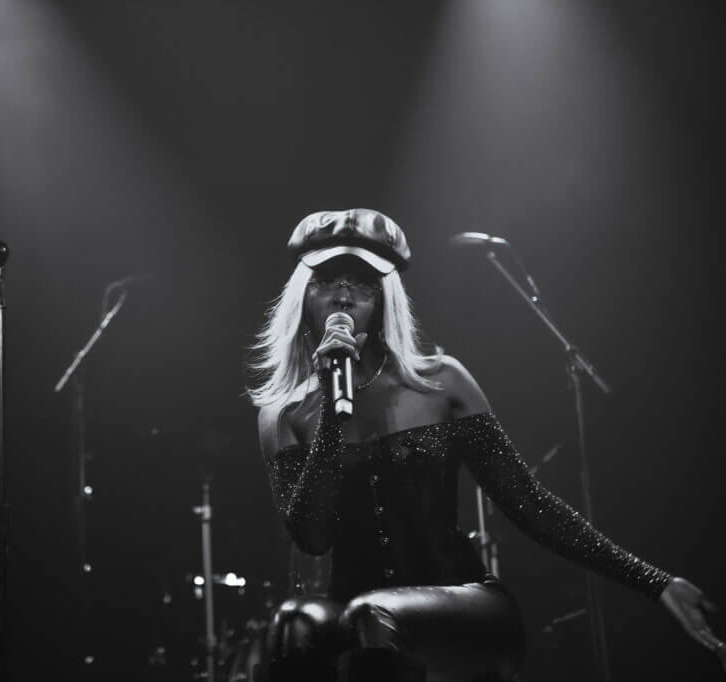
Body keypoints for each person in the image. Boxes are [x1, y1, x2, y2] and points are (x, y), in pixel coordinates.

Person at [248, 209, 724, 681]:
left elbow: (531, 504)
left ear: (386, 298)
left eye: (364, 282)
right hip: (359, 613)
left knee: (371, 618)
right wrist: (334, 406)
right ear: (303, 295)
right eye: (328, 279)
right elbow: (312, 537)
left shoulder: (442, 382)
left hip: (463, 602)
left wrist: (654, 582)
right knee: (295, 625)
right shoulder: (282, 415)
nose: (345, 295)